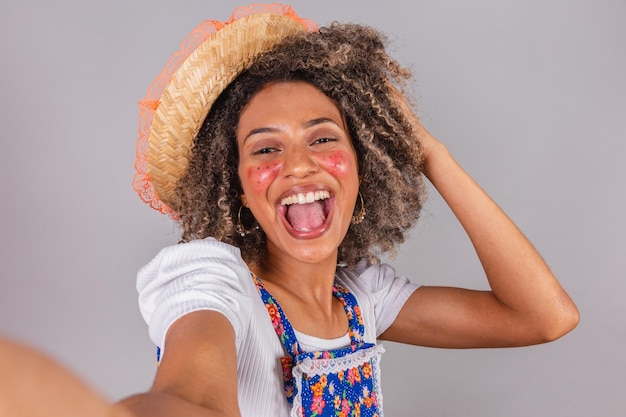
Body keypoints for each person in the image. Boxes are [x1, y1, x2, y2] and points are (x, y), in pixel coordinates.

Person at [0, 3, 578, 417]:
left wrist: (430, 153)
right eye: (267, 149)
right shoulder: (212, 279)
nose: (299, 165)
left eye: (324, 138)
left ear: (365, 164)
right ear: (236, 187)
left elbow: (543, 318)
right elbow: (192, 398)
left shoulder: (361, 299)